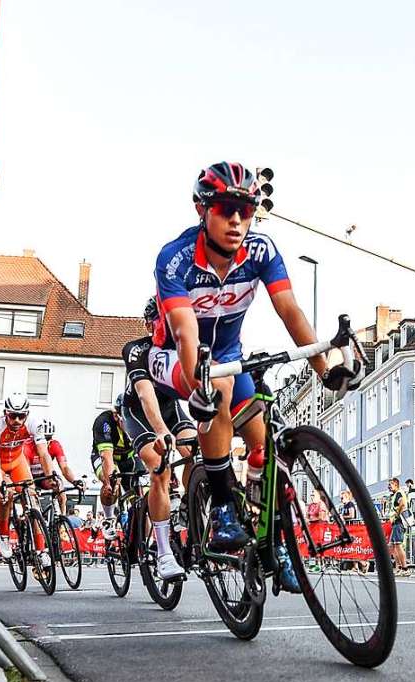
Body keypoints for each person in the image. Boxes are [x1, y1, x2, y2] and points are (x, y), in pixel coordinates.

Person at [149, 161, 363, 591]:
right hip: (172, 355)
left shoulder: (261, 252)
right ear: (202, 210)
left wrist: (324, 369)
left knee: (265, 448)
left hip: (229, 354)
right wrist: (198, 384)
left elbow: (290, 311)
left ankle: (273, 544)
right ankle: (224, 508)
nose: (235, 220)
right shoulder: (174, 260)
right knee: (219, 387)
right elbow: (186, 333)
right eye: (226, 208)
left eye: (245, 211)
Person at [119, 297, 196, 580]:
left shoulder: (184, 345)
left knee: (195, 451)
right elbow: (145, 394)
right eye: (158, 320)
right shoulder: (137, 349)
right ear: (148, 323)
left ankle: (190, 503)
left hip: (171, 408)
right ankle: (163, 552)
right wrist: (162, 431)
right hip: (140, 412)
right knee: (159, 466)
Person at [0, 392, 54, 570]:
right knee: (5, 494)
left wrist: (51, 475)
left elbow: (43, 453)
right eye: (12, 416)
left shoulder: (34, 424)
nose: (16, 420)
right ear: (5, 413)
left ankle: (41, 550)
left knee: (33, 501)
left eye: (21, 416)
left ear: (27, 415)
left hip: (17, 462)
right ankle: (4, 533)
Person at [92, 395, 136, 539]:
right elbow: (106, 456)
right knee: (112, 483)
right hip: (105, 457)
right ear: (116, 415)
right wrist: (110, 480)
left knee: (142, 495)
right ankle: (109, 518)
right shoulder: (104, 422)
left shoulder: (140, 419)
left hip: (129, 458)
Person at [23, 417, 84, 518]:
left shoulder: (54, 445)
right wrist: (32, 487)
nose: (46, 442)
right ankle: (30, 518)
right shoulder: (28, 446)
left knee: (59, 485)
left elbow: (64, 468)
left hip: (45, 476)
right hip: (30, 476)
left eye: (48, 438)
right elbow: (25, 471)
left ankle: (62, 518)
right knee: (29, 494)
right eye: (43, 438)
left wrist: (74, 481)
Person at [387, 478, 409, 576]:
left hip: (398, 522)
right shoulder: (395, 494)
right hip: (395, 523)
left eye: (390, 485)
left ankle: (405, 568)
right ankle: (399, 567)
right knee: (392, 546)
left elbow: (403, 503)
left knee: (398, 546)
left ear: (396, 484)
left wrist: (396, 514)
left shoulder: (399, 493)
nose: (388, 487)